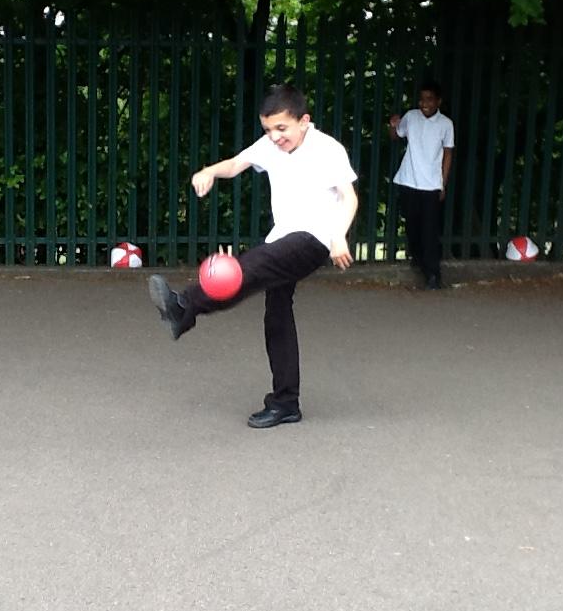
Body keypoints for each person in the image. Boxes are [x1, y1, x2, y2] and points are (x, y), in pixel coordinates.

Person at [148, 83, 358, 429]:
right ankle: (286, 403)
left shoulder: (327, 149)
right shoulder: (270, 145)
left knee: (249, 267)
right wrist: (209, 171)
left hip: (313, 238)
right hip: (283, 237)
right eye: (268, 129)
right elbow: (235, 164)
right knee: (276, 315)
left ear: (304, 121)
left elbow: (349, 197)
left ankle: (184, 306)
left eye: (282, 128)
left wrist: (338, 236)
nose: (275, 137)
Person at [389, 81, 454, 289]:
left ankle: (433, 274)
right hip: (408, 180)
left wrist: (443, 183)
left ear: (438, 101)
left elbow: (448, 154)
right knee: (412, 226)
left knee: (430, 230)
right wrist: (393, 125)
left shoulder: (445, 124)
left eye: (429, 99)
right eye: (422, 99)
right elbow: (395, 136)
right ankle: (418, 259)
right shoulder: (411, 117)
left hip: (431, 184)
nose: (424, 103)